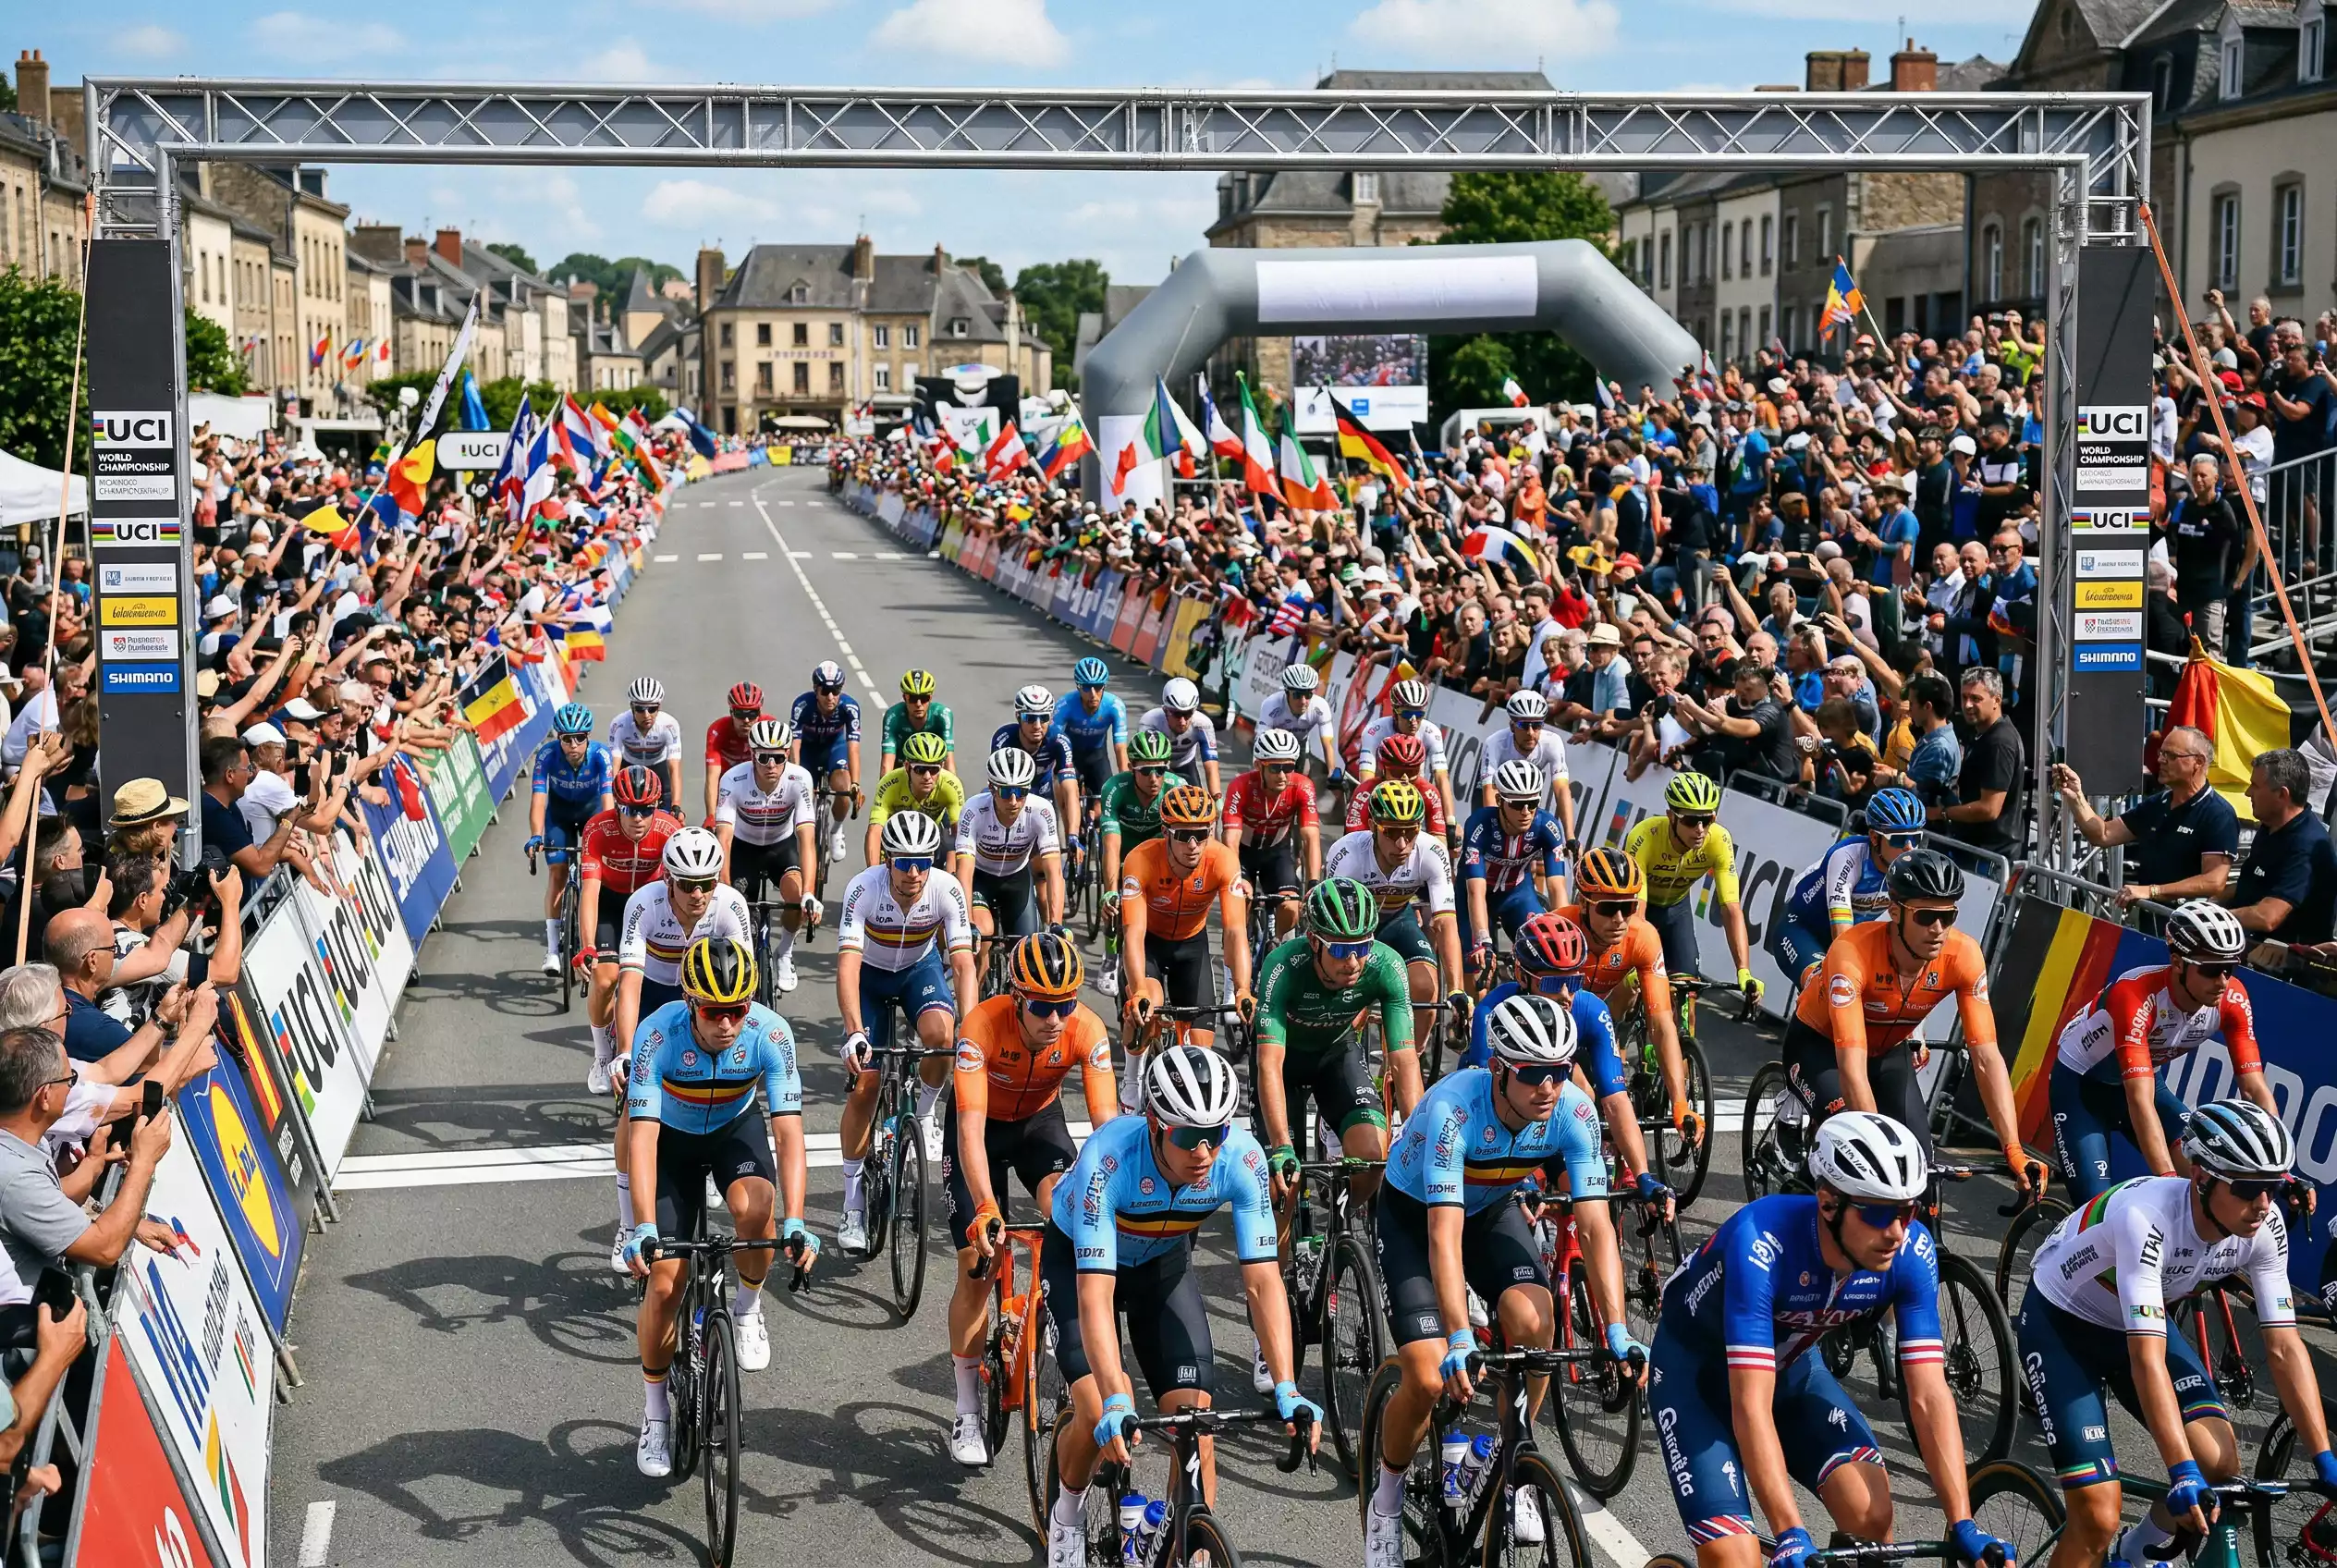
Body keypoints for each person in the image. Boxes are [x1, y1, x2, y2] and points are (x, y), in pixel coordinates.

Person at [1647, 1111, 2009, 1568]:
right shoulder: (1760, 1244)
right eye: (1878, 1212)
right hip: (1695, 1382)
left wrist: (1962, 1522)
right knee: (1735, 1561)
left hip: (1792, 1374)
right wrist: (1790, 1532)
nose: (1897, 1231)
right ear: (1828, 1203)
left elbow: (1929, 1395)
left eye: (1907, 1211)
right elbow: (1750, 1407)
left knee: (1872, 1516)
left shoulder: (1910, 1254)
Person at [1363, 993, 1630, 1568]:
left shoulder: (1574, 1112)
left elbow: (1597, 1225)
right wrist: (1459, 1336)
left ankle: (1512, 1459)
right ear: (1500, 1069)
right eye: (1534, 1074)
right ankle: (1384, 1501)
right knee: (1430, 1377)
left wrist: (1617, 1328)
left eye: (1560, 1071)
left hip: (1491, 1208)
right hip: (1414, 1218)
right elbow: (1441, 1237)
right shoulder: (1453, 1112)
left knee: (1537, 1323)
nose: (1549, 1087)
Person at [2020, 1099, 2336, 1568]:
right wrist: (2179, 1469)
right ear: (2202, 1178)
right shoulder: (2146, 1218)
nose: (2264, 1204)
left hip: (2136, 1315)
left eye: (2274, 1186)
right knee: (2097, 1516)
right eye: (2249, 1188)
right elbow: (2146, 1360)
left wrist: (2324, 1456)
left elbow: (2285, 1347)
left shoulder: (2264, 1224)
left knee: (2220, 1465)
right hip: (2063, 1323)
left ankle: (2137, 1552)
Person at [1042, 1046, 1315, 1568]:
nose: (1205, 1153)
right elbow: (1097, 1299)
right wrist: (1119, 1396)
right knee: (1099, 1406)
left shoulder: (1242, 1157)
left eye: (1215, 1135)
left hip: (1161, 1264)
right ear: (1152, 1123)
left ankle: (1181, 1544)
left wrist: (1286, 1386)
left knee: (1196, 1424)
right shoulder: (1110, 1159)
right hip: (1081, 1260)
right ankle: (1066, 1518)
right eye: (1188, 1137)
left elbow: (1262, 1282)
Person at [620, 937, 814, 1477]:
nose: (727, 1023)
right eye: (713, 1011)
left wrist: (796, 1220)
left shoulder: (771, 1034)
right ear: (689, 1002)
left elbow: (790, 1133)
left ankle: (748, 1308)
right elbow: (641, 1137)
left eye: (738, 1009)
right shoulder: (656, 1034)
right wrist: (641, 1227)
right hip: (672, 1144)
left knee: (759, 1211)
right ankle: (655, 1411)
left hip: (734, 1130)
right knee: (664, 1282)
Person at [939, 932, 1115, 1466]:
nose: (1056, 1019)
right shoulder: (981, 1027)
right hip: (981, 1128)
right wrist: (988, 1208)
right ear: (1017, 997)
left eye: (1066, 1005)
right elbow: (969, 1134)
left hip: (1040, 1125)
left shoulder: (1087, 1029)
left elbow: (1107, 1133)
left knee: (1070, 1210)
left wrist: (1106, 1204)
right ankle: (967, 1407)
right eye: (1042, 1007)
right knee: (979, 1263)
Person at [1249, 876, 1426, 1388]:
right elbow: (1268, 1065)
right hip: (1282, 1070)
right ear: (1315, 943)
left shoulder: (1385, 967)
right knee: (1283, 1191)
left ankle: (1336, 1235)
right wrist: (1282, 1147)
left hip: (1335, 1059)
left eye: (1362, 947)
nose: (1354, 961)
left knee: (1373, 1155)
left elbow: (1403, 1059)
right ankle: (1272, 1328)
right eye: (1342, 950)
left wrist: (1414, 1134)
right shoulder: (1283, 969)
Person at [1785, 850, 2029, 1188]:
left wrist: (2012, 1148)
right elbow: (1852, 1067)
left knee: (1920, 1163)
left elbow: (1986, 1058)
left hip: (1887, 1051)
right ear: (1894, 912)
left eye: (1949, 916)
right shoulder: (1852, 954)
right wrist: (1875, 1140)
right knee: (1853, 1145)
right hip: (1821, 1047)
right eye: (1926, 916)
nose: (1938, 929)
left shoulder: (1964, 955)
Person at [2049, 900, 2274, 1202]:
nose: (2222, 981)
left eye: (2229, 968)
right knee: (2096, 1205)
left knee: (2205, 1183)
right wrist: (2166, 1178)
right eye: (2210, 969)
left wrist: (2277, 1170)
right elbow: (2139, 1100)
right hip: (2081, 1088)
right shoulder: (2136, 995)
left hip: (2150, 1084)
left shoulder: (2233, 999)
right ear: (2178, 963)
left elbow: (2254, 1088)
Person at [610, 828, 752, 1273]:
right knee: (633, 1112)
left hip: (709, 999)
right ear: (667, 879)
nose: (698, 894)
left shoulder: (730, 905)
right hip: (656, 994)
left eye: (707, 883)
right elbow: (630, 982)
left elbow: (745, 983)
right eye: (688, 884)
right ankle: (627, 1222)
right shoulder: (644, 903)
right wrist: (626, 1050)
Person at [835, 810, 977, 1253]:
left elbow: (963, 963)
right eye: (904, 862)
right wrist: (854, 1031)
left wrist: (972, 1029)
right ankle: (853, 1202)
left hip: (918, 970)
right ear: (888, 859)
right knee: (866, 1085)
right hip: (871, 979)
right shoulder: (863, 888)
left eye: (923, 862)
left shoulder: (946, 888)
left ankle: (926, 1110)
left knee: (944, 1037)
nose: (914, 872)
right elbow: (847, 966)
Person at [0, 1023, 187, 1346]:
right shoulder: (14, 1173)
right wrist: (143, 1162)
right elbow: (104, 1249)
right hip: (19, 1339)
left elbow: (49, 1210)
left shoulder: (24, 1141)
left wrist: (131, 1224)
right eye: (69, 1080)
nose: (74, 1087)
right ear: (44, 1097)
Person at [1322, 780, 1468, 1072]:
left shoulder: (1431, 851)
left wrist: (1457, 989)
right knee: (1348, 991)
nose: (1402, 845)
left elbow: (1446, 923)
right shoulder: (1348, 855)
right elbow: (1331, 926)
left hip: (1399, 920)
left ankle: (1404, 1067)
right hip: (1354, 930)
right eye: (1391, 833)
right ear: (1374, 827)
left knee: (1427, 988)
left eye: (1410, 833)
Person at [1118, 784, 1250, 1096]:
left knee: (1201, 1045)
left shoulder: (1223, 860)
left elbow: (1234, 931)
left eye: (1201, 834)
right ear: (1166, 832)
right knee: (1147, 1009)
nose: (1192, 845)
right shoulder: (1140, 860)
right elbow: (1133, 935)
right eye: (1182, 835)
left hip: (1192, 947)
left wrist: (1243, 988)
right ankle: (1132, 1083)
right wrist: (1137, 991)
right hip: (1150, 942)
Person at [575, 765, 680, 1096]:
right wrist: (587, 946)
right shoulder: (597, 829)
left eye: (646, 810)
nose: (638, 819)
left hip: (649, 905)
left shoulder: (669, 829)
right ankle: (602, 1055)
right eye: (630, 810)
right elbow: (590, 893)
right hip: (610, 903)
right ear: (617, 807)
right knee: (605, 978)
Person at [2050, 728, 2237, 910]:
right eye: (2161, 753)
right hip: (2151, 919)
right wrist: (2076, 797)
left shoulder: (2218, 814)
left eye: (2171, 755)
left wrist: (2151, 891)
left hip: (2188, 927)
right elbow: (2103, 834)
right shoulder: (2158, 803)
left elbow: (2213, 881)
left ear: (2198, 761)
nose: (2160, 760)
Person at [1772, 788, 1928, 987]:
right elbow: (1843, 936)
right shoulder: (1848, 857)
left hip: (1847, 936)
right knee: (1825, 989)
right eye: (1898, 839)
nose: (1909, 847)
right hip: (1801, 928)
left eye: (1915, 838)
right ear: (1874, 837)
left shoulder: (1912, 870)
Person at [1624, 769, 1756, 1000]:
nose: (1700, 829)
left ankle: (1684, 1036)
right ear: (1671, 816)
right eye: (1690, 820)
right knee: (1627, 991)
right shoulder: (1645, 836)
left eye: (1707, 820)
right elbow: (1638, 913)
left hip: (1676, 911)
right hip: (1640, 910)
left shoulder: (1718, 840)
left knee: (1688, 992)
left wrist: (1744, 971)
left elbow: (1731, 909)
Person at [712, 717, 822, 994]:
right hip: (743, 849)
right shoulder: (732, 780)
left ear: (787, 754)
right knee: (735, 909)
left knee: (795, 901)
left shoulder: (800, 779)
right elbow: (723, 840)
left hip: (781, 848)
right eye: (763, 757)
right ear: (752, 755)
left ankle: (784, 952)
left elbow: (807, 840)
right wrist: (724, 889)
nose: (770, 765)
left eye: (776, 757)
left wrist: (809, 892)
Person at [953, 745, 1064, 964]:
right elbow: (964, 873)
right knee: (982, 938)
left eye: (1021, 792)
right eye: (1005, 792)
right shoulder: (974, 810)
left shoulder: (1041, 810)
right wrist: (967, 923)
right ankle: (977, 993)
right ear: (992, 789)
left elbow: (1054, 872)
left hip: (1017, 879)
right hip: (980, 880)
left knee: (1027, 952)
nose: (1013, 801)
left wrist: (1056, 922)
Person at [526, 703, 615, 975]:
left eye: (580, 738)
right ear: (558, 739)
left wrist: (610, 834)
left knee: (594, 877)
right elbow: (539, 801)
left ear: (588, 737)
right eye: (566, 739)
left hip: (592, 817)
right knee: (557, 873)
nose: (573, 745)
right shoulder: (547, 755)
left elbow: (608, 801)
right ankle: (552, 951)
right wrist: (535, 836)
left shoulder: (601, 755)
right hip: (559, 817)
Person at [1459, 760, 1565, 978]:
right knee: (1479, 969)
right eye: (1517, 804)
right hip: (1475, 895)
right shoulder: (1479, 825)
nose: (1526, 811)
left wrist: (1564, 932)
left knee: (1547, 955)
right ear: (1499, 800)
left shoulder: (1548, 826)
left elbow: (1557, 888)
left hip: (1517, 894)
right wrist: (1483, 941)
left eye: (1533, 803)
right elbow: (1475, 891)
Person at [1219, 727, 1322, 944]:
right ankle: (1235, 958)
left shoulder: (1302, 786)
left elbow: (1310, 837)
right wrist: (1236, 878)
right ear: (1259, 766)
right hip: (1242, 855)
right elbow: (1231, 839)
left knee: (1290, 907)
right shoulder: (1242, 786)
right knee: (1238, 905)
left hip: (1277, 854)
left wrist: (1313, 884)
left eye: (1288, 767)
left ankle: (1273, 945)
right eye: (1275, 768)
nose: (1283, 775)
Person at [2229, 748, 2337, 953]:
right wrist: (2212, 900)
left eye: (2255, 786)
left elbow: (2268, 917)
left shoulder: (2307, 846)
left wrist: (2215, 918)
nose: (2247, 793)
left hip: (2287, 973)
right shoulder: (2270, 826)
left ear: (2282, 794)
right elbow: (2250, 883)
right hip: (2251, 950)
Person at [1093, 729, 1173, 998]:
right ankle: (1110, 954)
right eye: (1146, 771)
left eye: (1160, 770)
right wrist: (1110, 890)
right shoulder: (1115, 789)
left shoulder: (1175, 789)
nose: (1154, 779)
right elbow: (1112, 846)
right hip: (1125, 851)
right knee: (1114, 905)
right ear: (1131, 768)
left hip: (1157, 854)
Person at [1358, 678, 1461, 851]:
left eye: (1419, 714)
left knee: (1444, 849)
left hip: (1416, 790)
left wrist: (1450, 822)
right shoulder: (1375, 730)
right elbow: (1366, 777)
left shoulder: (1431, 732)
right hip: (1383, 790)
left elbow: (1441, 777)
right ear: (1395, 712)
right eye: (1407, 714)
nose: (1414, 721)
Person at [1930, 668, 2023, 860]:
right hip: (1976, 849)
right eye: (1964, 697)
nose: (1967, 705)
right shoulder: (1984, 733)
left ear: (1997, 700)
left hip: (1990, 856)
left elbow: (1989, 809)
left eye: (1976, 698)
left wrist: (1942, 813)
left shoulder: (1999, 742)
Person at [1051, 658, 1128, 875]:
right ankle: (1073, 843)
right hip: (1069, 756)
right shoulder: (1065, 706)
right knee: (1066, 794)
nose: (1093, 694)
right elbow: (1053, 742)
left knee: (1102, 804)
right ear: (1078, 687)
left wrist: (1125, 780)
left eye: (1098, 687)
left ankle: (1093, 829)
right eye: (1087, 688)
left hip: (1097, 757)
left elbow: (1120, 748)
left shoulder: (1114, 706)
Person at [1477, 691, 1579, 851]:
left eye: (1537, 725)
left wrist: (1570, 836)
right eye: (1523, 725)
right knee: (1489, 846)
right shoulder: (1495, 743)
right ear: (1512, 726)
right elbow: (1490, 791)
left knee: (1532, 855)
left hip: (1524, 797)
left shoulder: (1552, 742)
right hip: (1497, 793)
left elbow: (1561, 789)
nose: (1530, 732)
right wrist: (1497, 833)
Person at [789, 659, 863, 866]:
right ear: (815, 689)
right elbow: (794, 745)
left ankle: (836, 829)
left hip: (834, 748)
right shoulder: (802, 705)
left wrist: (855, 784)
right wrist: (796, 775)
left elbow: (853, 748)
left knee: (844, 788)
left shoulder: (850, 707)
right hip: (808, 751)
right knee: (801, 791)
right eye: (825, 691)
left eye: (836, 690)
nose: (830, 697)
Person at [197, 734, 297, 882]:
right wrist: (290, 818)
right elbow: (261, 866)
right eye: (247, 768)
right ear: (230, 775)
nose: (251, 774)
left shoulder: (229, 805)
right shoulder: (213, 813)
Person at [863, 730, 969, 869]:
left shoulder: (951, 784)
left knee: (948, 843)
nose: (927, 776)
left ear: (942, 767)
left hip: (931, 836)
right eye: (920, 769)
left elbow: (960, 836)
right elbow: (875, 831)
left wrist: (955, 877)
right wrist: (873, 873)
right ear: (907, 767)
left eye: (933, 770)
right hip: (897, 835)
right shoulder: (890, 783)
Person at [990, 683, 1080, 841]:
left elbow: (1071, 790)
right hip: (1012, 794)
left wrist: (1073, 834)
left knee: (1047, 849)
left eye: (1044, 717)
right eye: (1030, 718)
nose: (1037, 726)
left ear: (1050, 719)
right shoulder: (1003, 739)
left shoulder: (1059, 741)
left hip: (1043, 793)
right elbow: (996, 787)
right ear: (1018, 717)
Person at [1258, 663, 1343, 813]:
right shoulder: (1272, 704)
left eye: (1308, 694)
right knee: (1269, 782)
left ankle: (1293, 815)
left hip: (1300, 743)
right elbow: (1260, 741)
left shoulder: (1320, 706)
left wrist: (1332, 772)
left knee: (1300, 780)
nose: (1303, 701)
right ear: (1287, 692)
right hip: (1272, 747)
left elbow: (1327, 743)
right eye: (1297, 695)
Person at [608, 676, 685, 815]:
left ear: (659, 707)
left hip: (659, 770)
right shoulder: (619, 724)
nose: (646, 715)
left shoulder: (669, 725)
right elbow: (614, 766)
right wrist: (612, 799)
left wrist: (676, 806)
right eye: (640, 709)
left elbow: (674, 769)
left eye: (652, 709)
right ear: (632, 707)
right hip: (629, 768)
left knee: (669, 819)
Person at [1136, 677, 1219, 796]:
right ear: (1165, 710)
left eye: (1188, 714)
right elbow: (1146, 761)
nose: (1182, 721)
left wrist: (1217, 797)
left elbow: (1211, 764)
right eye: (1177, 714)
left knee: (1197, 805)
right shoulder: (1150, 722)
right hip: (1156, 766)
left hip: (1186, 763)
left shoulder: (1203, 724)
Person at [701, 680, 765, 822]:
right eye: (740, 714)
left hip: (756, 779)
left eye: (752, 713)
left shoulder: (768, 726)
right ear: (731, 712)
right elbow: (712, 779)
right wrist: (711, 817)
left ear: (760, 712)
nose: (747, 720)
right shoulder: (718, 730)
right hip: (727, 780)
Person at [881, 668, 955, 777]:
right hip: (903, 771)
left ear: (930, 698)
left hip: (932, 773)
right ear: (904, 698)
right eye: (913, 698)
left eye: (924, 698)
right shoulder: (893, 716)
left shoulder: (943, 715)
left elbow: (949, 763)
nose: (919, 704)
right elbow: (886, 765)